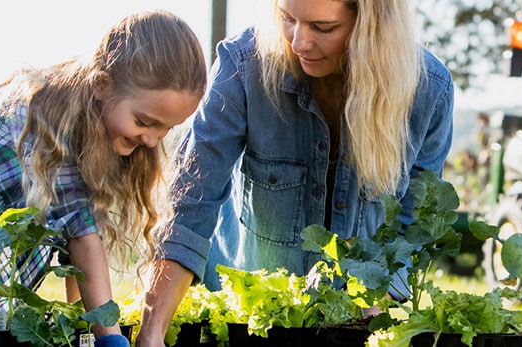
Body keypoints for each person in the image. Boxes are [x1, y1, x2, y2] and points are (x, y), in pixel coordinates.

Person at [137, 0, 453, 344]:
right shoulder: (243, 65)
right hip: (249, 325)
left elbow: (412, 227)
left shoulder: (428, 91)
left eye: (323, 28)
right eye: (287, 19)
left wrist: (372, 311)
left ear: (370, 26)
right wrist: (151, 334)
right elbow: (191, 206)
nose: (298, 42)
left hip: (355, 323)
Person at [0, 10, 206, 346]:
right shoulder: (43, 122)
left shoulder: (99, 135)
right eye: (144, 122)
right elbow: (82, 239)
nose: (152, 139)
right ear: (102, 84)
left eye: (166, 128)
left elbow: (77, 256)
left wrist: (80, 329)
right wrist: (110, 340)